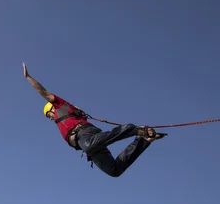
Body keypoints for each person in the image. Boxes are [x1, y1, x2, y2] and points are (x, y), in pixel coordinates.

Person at [22, 62, 166, 177]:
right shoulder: (60, 120)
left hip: (85, 134)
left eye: (49, 114)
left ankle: (133, 129)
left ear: (52, 107)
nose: (50, 118)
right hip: (90, 148)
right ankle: (144, 139)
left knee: (89, 145)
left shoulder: (60, 105)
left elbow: (42, 91)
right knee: (114, 171)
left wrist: (28, 77)